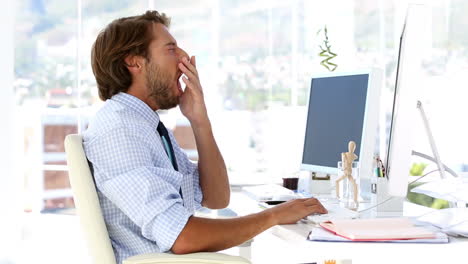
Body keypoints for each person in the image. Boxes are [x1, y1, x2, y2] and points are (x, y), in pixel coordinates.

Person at [84, 10, 327, 264]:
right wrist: (273, 216)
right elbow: (183, 238)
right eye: (171, 49)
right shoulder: (119, 130)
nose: (185, 58)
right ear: (135, 62)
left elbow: (215, 198)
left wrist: (200, 122)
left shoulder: (145, 125)